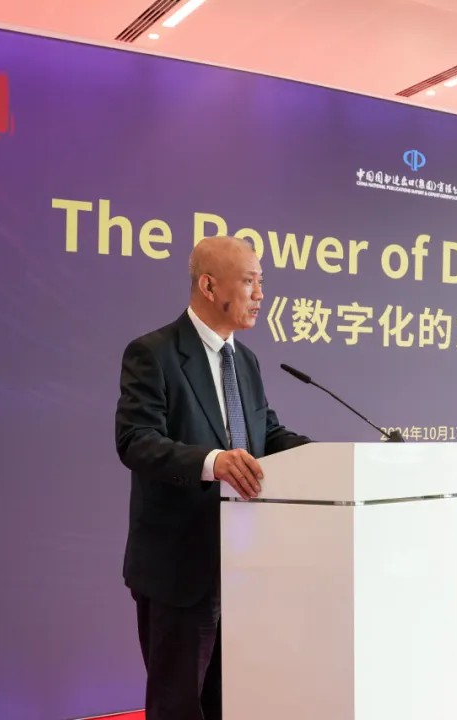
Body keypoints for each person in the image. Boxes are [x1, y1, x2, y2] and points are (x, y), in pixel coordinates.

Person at [115, 235, 311, 720]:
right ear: (208, 285)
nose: (260, 294)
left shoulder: (245, 360)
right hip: (180, 568)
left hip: (245, 565)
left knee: (232, 702)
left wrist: (326, 457)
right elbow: (136, 440)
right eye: (249, 282)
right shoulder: (154, 353)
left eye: (261, 282)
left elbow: (266, 433)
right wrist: (212, 461)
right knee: (178, 705)